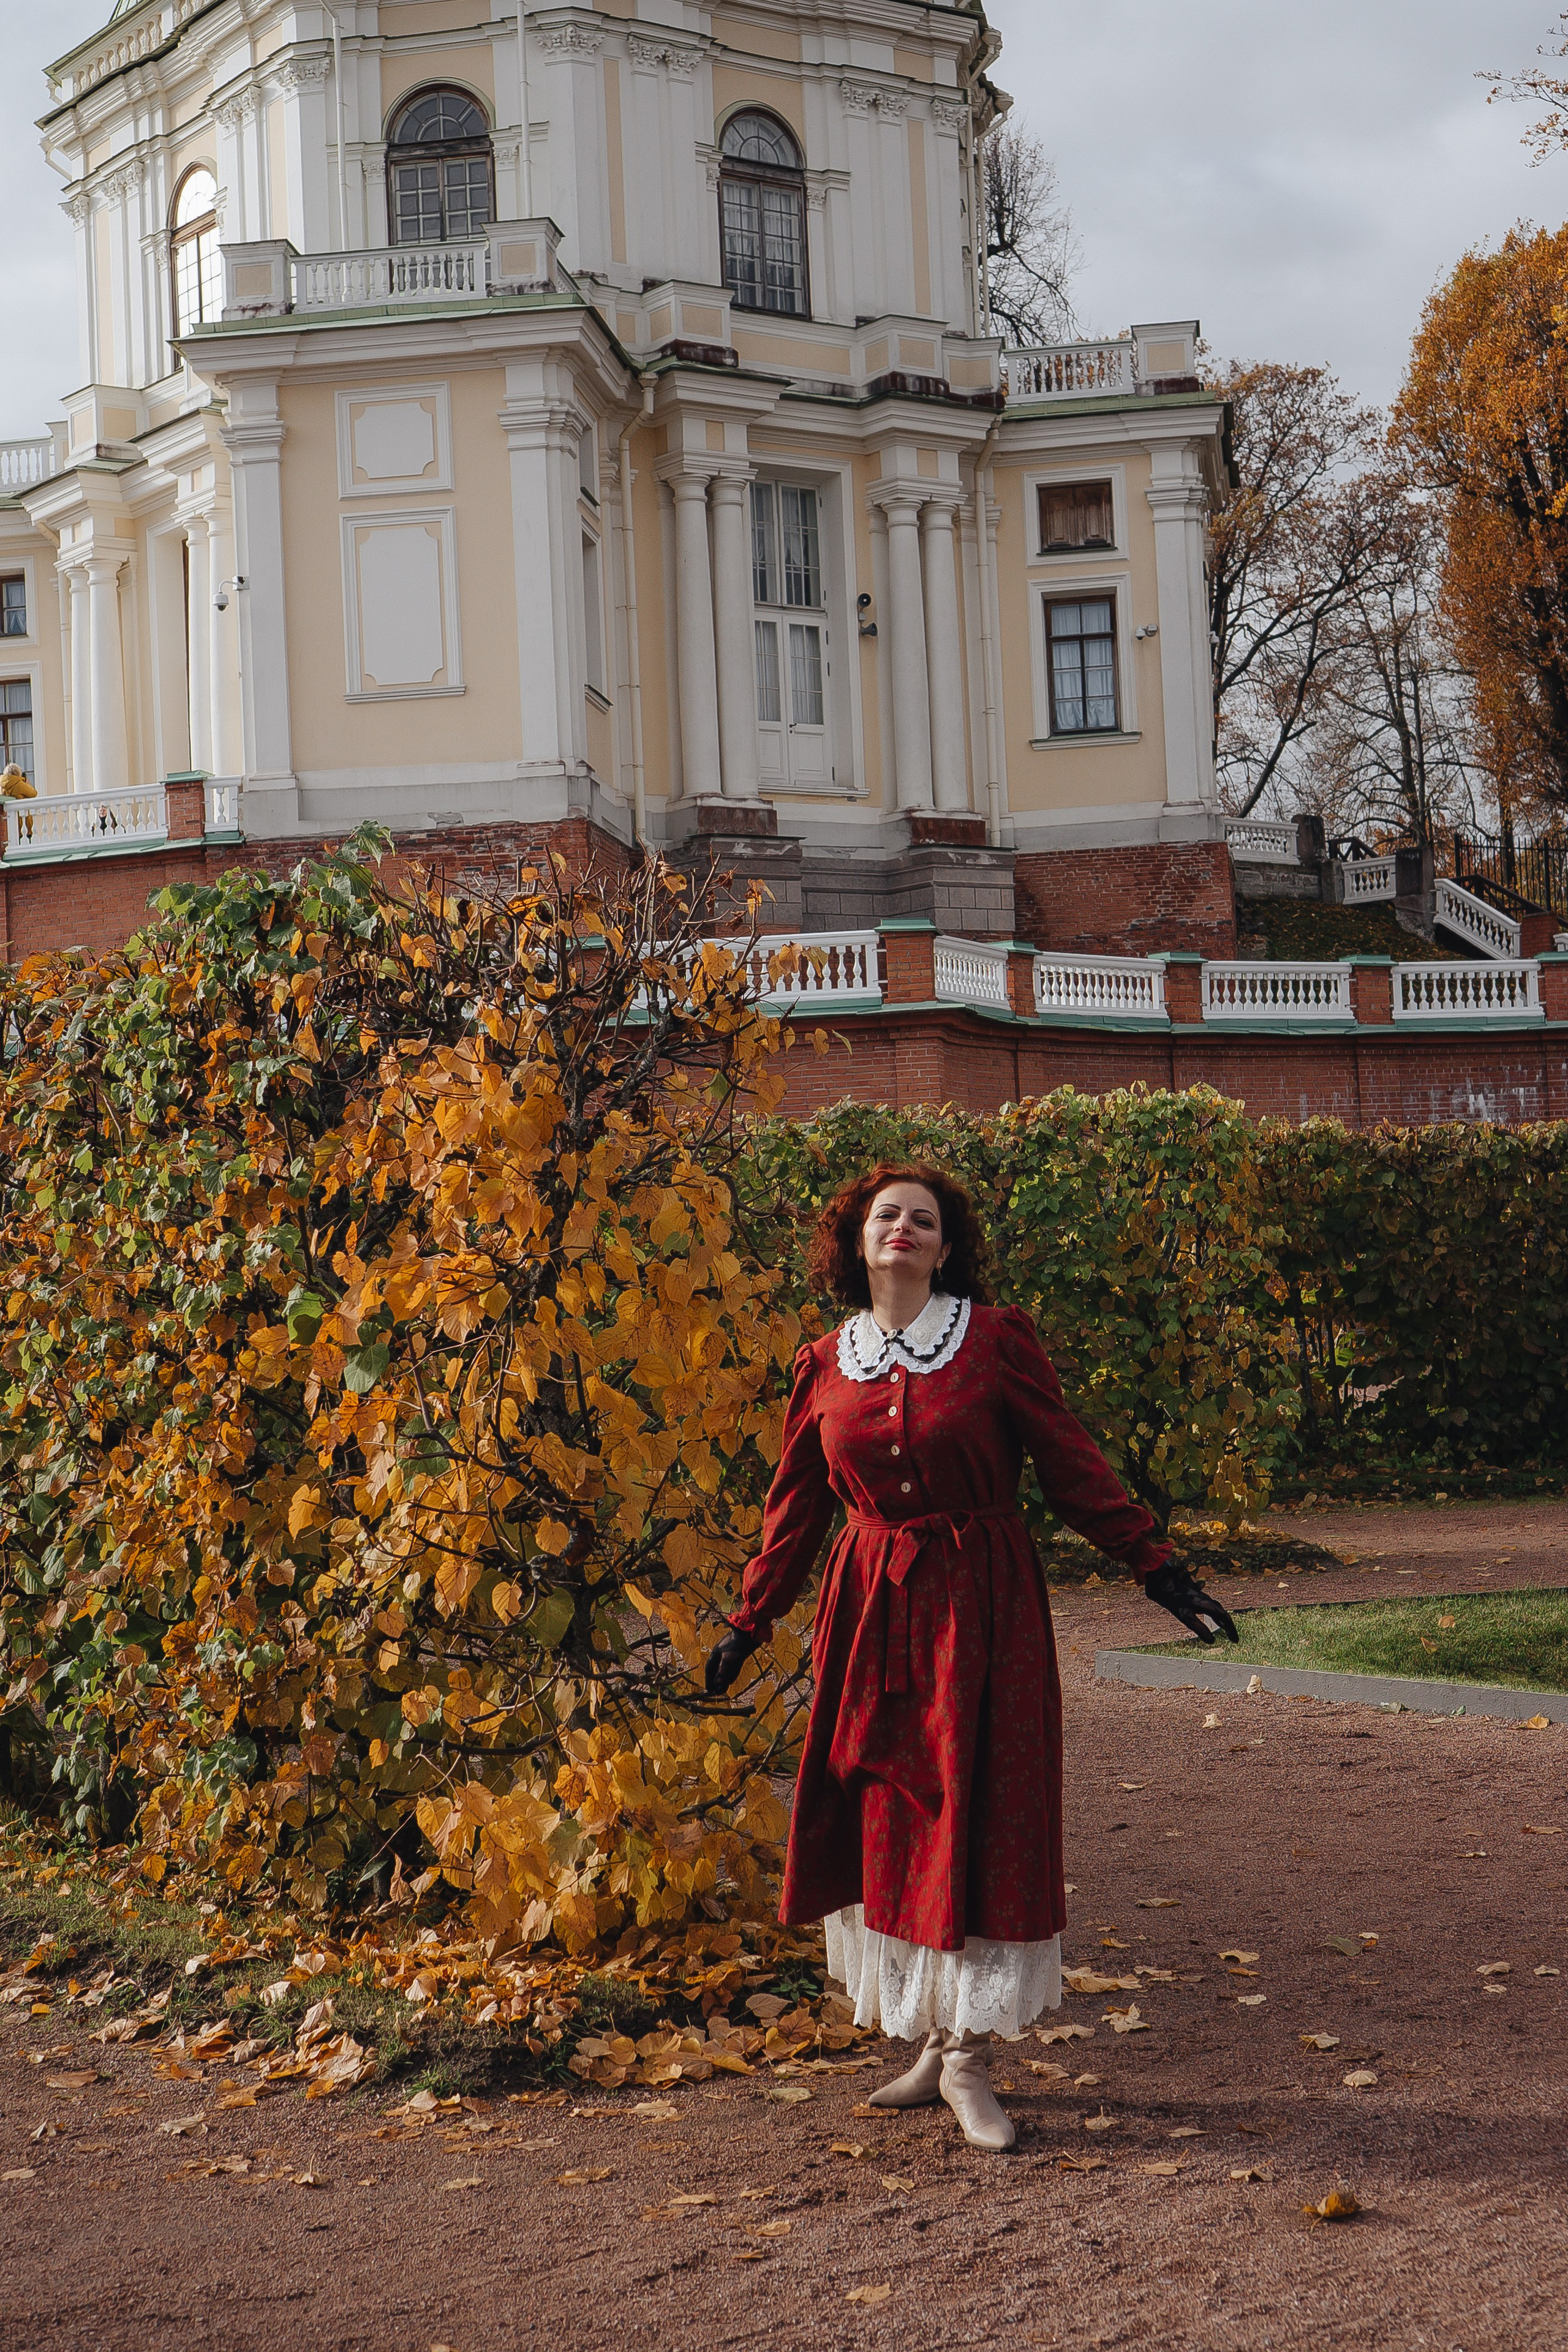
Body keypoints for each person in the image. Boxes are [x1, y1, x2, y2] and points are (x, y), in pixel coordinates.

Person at [706, 1164, 1238, 2153]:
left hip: (981, 1611)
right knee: (893, 1813)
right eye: (885, 1217)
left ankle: (966, 2062)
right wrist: (750, 1618)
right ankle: (929, 2040)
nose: (903, 1229)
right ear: (856, 1243)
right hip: (870, 1612)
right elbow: (796, 1507)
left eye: (924, 1220)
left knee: (977, 1807)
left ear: (948, 1248)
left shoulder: (993, 1342)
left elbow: (1071, 1460)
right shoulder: (824, 1363)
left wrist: (1158, 1569)